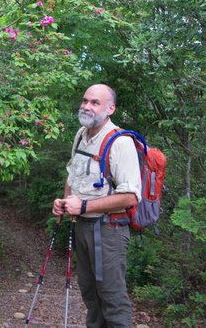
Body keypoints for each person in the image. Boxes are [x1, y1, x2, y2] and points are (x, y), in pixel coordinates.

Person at [53, 84, 141, 328]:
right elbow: (72, 175)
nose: (86, 106)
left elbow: (131, 197)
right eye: (85, 101)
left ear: (110, 108)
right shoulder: (82, 134)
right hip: (82, 226)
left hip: (108, 230)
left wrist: (81, 206)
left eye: (95, 102)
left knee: (112, 298)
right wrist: (64, 203)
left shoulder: (120, 142)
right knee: (90, 295)